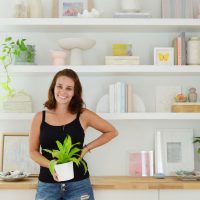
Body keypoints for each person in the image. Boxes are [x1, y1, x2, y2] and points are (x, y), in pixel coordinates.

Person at [29, 68, 118, 200]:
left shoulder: (83, 115)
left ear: (74, 92)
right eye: (59, 86)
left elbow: (111, 131)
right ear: (53, 88)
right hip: (47, 186)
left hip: (79, 185)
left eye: (69, 88)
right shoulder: (39, 117)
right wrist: (51, 166)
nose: (63, 92)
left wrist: (86, 149)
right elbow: (33, 151)